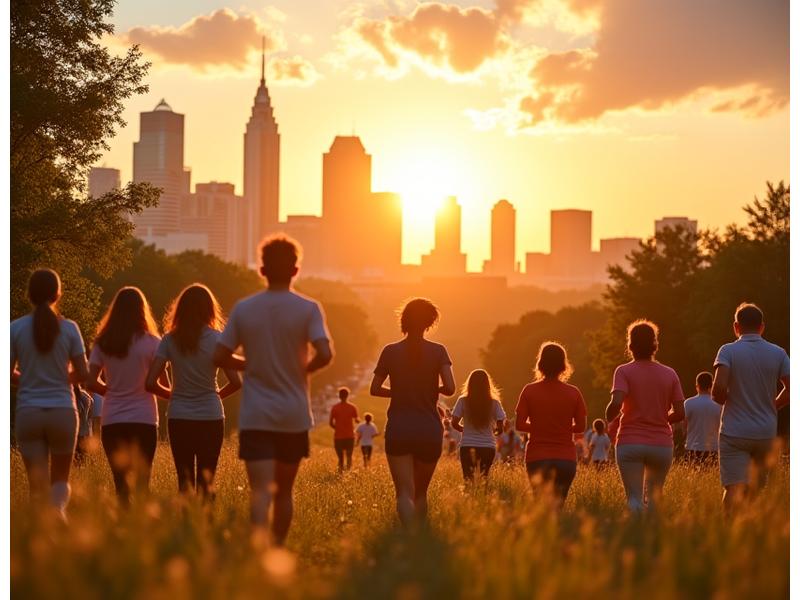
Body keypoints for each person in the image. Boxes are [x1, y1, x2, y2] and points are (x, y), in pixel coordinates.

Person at [214, 235, 332, 546]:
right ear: (296, 270)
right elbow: (325, 353)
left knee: (260, 491)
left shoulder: (244, 309)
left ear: (262, 269)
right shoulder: (309, 309)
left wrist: (250, 365)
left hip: (256, 415)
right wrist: (302, 370)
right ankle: (277, 550)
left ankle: (258, 553)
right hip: (293, 415)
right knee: (284, 492)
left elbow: (220, 356)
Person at [145, 284, 241, 499]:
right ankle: (204, 527)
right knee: (207, 480)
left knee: (184, 480)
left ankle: (186, 526)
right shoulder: (219, 339)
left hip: (179, 415)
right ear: (209, 309)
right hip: (211, 415)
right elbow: (236, 381)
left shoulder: (169, 340)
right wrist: (216, 396)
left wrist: (176, 397)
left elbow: (150, 382)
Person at [370, 298, 455, 527]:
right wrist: (428, 389)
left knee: (404, 493)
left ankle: (408, 535)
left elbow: (375, 389)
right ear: (430, 323)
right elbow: (450, 387)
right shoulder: (439, 351)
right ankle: (419, 539)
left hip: (399, 428)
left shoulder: (390, 351)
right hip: (429, 430)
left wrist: (400, 391)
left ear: (404, 321)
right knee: (420, 494)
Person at [10, 269, 88, 519]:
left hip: (29, 413)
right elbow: (83, 373)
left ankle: (40, 534)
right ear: (58, 294)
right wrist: (60, 379)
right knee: (59, 483)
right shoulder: (70, 329)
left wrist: (29, 379)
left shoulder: (15, 328)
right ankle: (59, 520)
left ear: (29, 295)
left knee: (37, 488)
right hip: (63, 412)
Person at [87, 287, 164, 507]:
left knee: (120, 484)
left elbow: (91, 381)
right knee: (143, 482)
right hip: (145, 419)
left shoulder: (103, 343)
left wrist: (111, 391)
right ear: (142, 310)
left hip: (113, 419)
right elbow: (159, 384)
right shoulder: (153, 343)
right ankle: (140, 531)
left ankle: (122, 529)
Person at [711, 303, 789, 513]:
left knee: (733, 489)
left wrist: (727, 400)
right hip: (765, 432)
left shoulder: (728, 351)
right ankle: (750, 532)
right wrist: (773, 405)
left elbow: (718, 387)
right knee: (756, 490)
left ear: (736, 326)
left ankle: (730, 533)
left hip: (734, 432)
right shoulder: (778, 353)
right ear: (762, 327)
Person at [606, 320, 685, 514]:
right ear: (654, 345)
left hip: (629, 442)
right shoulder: (670, 374)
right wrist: (661, 418)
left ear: (630, 346)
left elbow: (616, 403)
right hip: (661, 444)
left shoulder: (623, 371)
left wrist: (609, 414)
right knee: (655, 498)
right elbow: (680, 413)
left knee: (634, 498)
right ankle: (654, 538)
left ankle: (636, 537)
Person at [515, 342, 587, 506]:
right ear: (563, 366)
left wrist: (540, 427)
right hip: (566, 459)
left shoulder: (529, 390)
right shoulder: (574, 393)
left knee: (541, 507)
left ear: (540, 364)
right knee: (558, 506)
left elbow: (519, 424)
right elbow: (581, 427)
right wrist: (561, 428)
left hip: (537, 458)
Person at [451, 369, 506, 482]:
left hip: (467, 445)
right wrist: (491, 432)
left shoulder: (463, 401)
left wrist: (464, 430)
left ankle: (469, 499)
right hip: (488, 447)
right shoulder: (494, 403)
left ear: (470, 383)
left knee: (468, 480)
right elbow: (500, 429)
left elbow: (454, 423)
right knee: (483, 480)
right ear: (487, 384)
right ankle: (483, 498)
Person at [682, 371, 721, 466]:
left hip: (692, 447)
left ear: (697, 385)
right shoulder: (719, 405)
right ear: (711, 385)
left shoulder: (688, 403)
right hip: (713, 448)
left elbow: (684, 426)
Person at [329, 387, 359, 472]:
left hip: (338, 437)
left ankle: (340, 473)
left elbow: (331, 423)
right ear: (347, 395)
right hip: (350, 436)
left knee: (340, 458)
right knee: (349, 456)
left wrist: (338, 428)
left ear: (339, 396)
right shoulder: (353, 407)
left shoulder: (334, 408)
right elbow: (357, 419)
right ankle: (348, 473)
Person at [73, 384, 94, 463]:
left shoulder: (76, 397)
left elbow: (78, 412)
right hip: (86, 432)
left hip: (77, 434)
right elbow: (90, 416)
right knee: (83, 459)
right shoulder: (86, 396)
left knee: (77, 460)